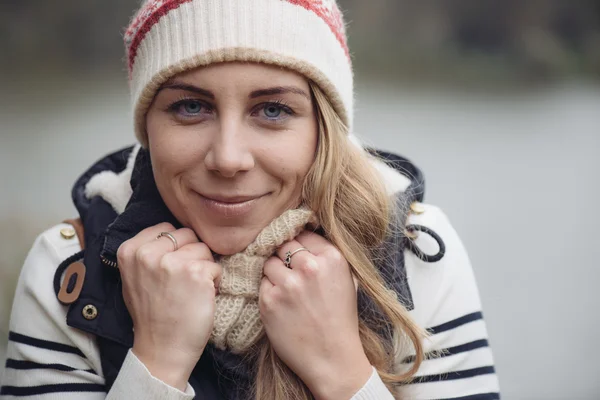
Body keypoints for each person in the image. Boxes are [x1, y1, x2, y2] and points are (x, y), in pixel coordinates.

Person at [0, 0, 500, 399]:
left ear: (324, 129)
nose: (229, 158)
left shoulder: (415, 254)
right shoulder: (66, 272)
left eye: (273, 109)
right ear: (147, 125)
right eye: (190, 106)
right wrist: (158, 362)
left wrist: (342, 372)